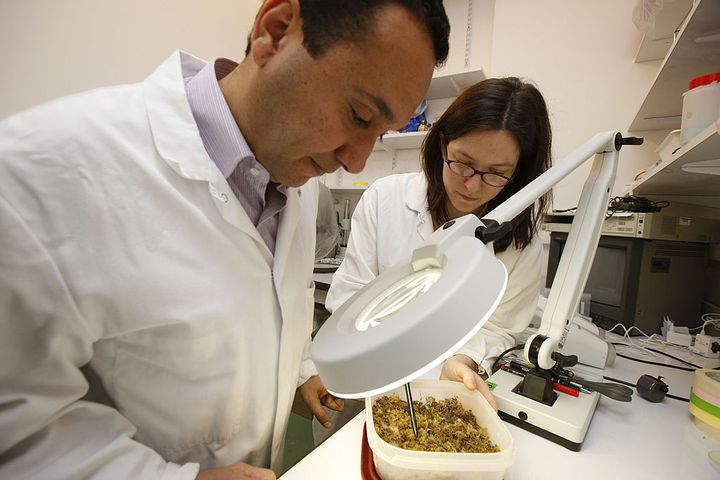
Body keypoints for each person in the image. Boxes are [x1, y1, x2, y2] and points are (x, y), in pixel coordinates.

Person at [0, 1, 450, 479]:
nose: (356, 161)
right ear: (274, 32)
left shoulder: (297, 171)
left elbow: (271, 310)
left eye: (380, 135)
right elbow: (16, 427)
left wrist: (299, 372)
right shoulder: (39, 172)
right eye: (360, 115)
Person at [325, 77, 552, 410]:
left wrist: (463, 360)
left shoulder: (523, 244)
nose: (472, 186)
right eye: (463, 163)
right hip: (366, 381)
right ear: (443, 145)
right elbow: (348, 297)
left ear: (519, 173)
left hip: (444, 391)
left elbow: (500, 328)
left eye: (495, 173)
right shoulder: (385, 199)